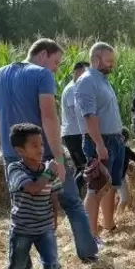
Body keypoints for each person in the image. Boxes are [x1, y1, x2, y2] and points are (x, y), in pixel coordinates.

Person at [0, 38, 98, 268]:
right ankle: (87, 253)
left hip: (12, 153)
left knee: (20, 209)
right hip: (44, 153)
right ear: (43, 55)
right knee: (72, 203)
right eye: (55, 62)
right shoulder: (41, 75)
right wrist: (57, 157)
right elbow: (48, 115)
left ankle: (21, 266)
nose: (56, 69)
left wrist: (4, 149)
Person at [1, 123, 62, 269]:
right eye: (34, 145)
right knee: (17, 265)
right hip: (22, 229)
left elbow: (53, 193)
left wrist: (55, 215)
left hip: (45, 228)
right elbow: (34, 189)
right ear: (20, 150)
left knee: (52, 265)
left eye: (41, 144)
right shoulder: (15, 169)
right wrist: (49, 172)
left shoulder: (47, 169)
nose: (40, 149)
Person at [75, 42, 125, 242]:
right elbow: (89, 116)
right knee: (95, 187)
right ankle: (91, 235)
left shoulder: (103, 79)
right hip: (100, 140)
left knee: (109, 184)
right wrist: (99, 144)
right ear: (96, 59)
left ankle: (108, 225)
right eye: (108, 61)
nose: (112, 65)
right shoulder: (87, 81)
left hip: (113, 139)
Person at [61, 61, 90, 196]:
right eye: (86, 72)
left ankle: (74, 197)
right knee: (84, 167)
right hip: (74, 134)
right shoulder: (73, 89)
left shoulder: (75, 87)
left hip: (74, 133)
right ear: (77, 72)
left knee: (81, 167)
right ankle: (73, 197)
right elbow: (77, 112)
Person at [116, 128, 135, 215]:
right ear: (125, 139)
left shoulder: (111, 148)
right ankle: (118, 216)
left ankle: (112, 215)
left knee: (117, 196)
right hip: (119, 178)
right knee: (124, 199)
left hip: (110, 177)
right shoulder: (125, 149)